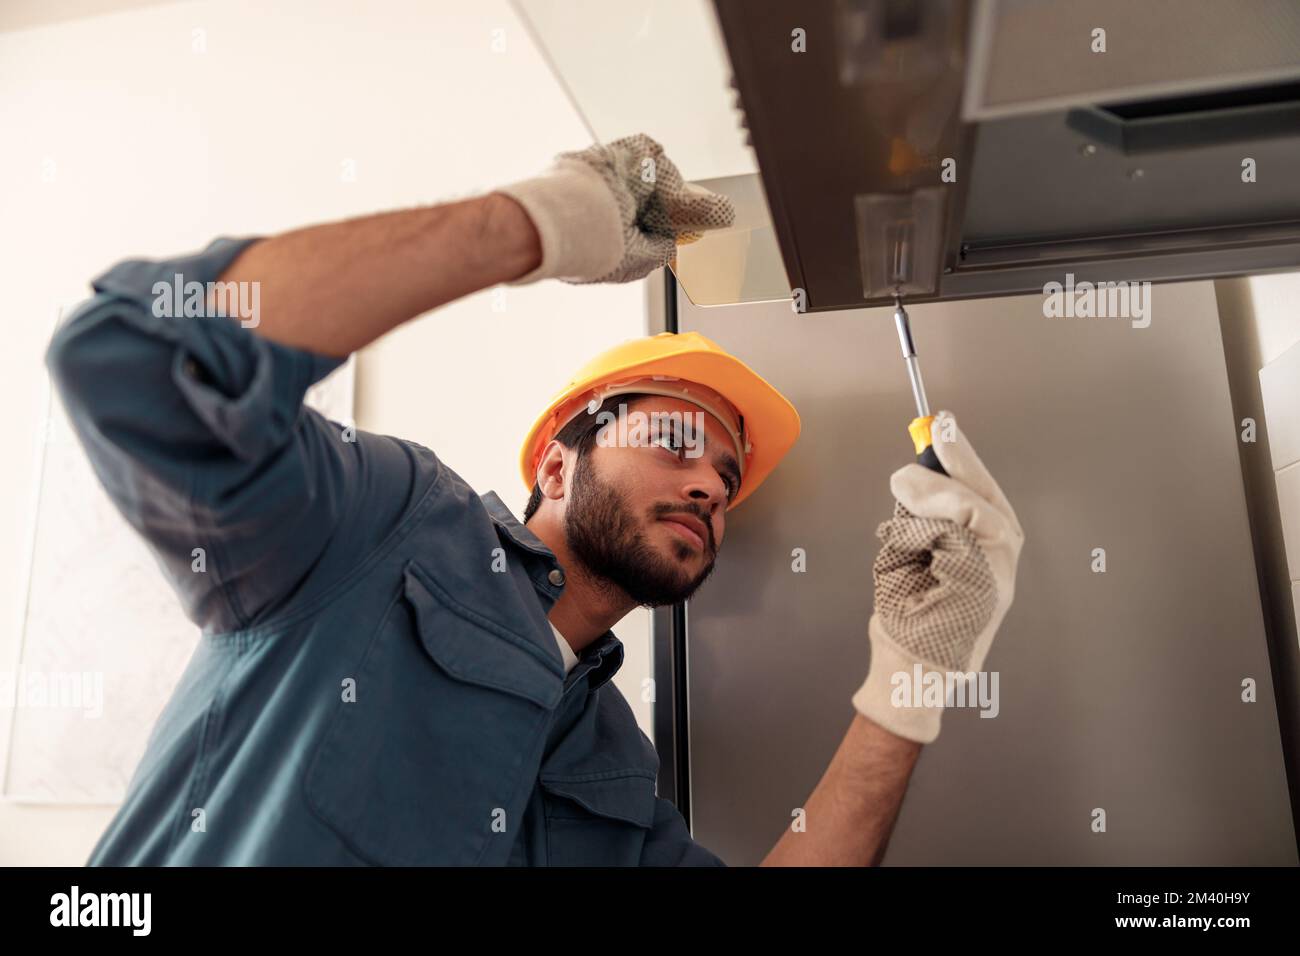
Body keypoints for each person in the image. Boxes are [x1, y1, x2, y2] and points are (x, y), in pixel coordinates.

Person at [47, 134, 1023, 866]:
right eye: (680, 439)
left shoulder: (610, 766)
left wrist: (912, 675)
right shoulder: (390, 523)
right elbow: (134, 357)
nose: (707, 485)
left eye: (727, 481)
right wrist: (540, 221)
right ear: (557, 463)